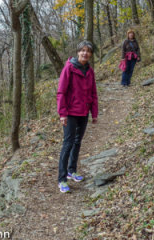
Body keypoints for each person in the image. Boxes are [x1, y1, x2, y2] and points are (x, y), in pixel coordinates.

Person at [57, 40, 98, 193]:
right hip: (70, 113)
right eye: (82, 50)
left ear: (90, 54)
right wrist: (62, 113)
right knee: (68, 143)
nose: (85, 53)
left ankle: (71, 170)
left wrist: (94, 113)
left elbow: (93, 93)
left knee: (77, 142)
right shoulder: (69, 68)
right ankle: (61, 179)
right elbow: (61, 92)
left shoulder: (90, 71)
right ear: (78, 52)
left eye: (88, 51)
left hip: (83, 112)